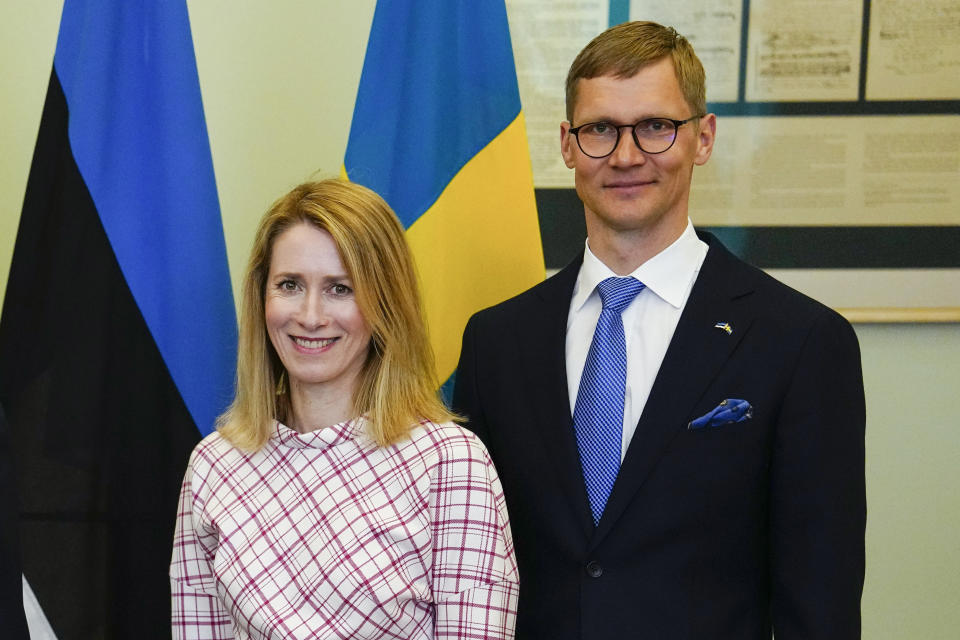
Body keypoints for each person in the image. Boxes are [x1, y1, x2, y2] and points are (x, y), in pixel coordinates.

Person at [453, 21, 865, 639]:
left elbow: (819, 605)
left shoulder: (801, 342)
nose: (625, 156)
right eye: (600, 130)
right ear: (567, 144)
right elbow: (473, 569)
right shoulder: (495, 343)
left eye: (655, 127)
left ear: (703, 137)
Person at [171, 179, 518, 639]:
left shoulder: (451, 463)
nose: (311, 316)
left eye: (340, 288)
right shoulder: (215, 465)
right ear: (261, 297)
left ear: (385, 304)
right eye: (290, 285)